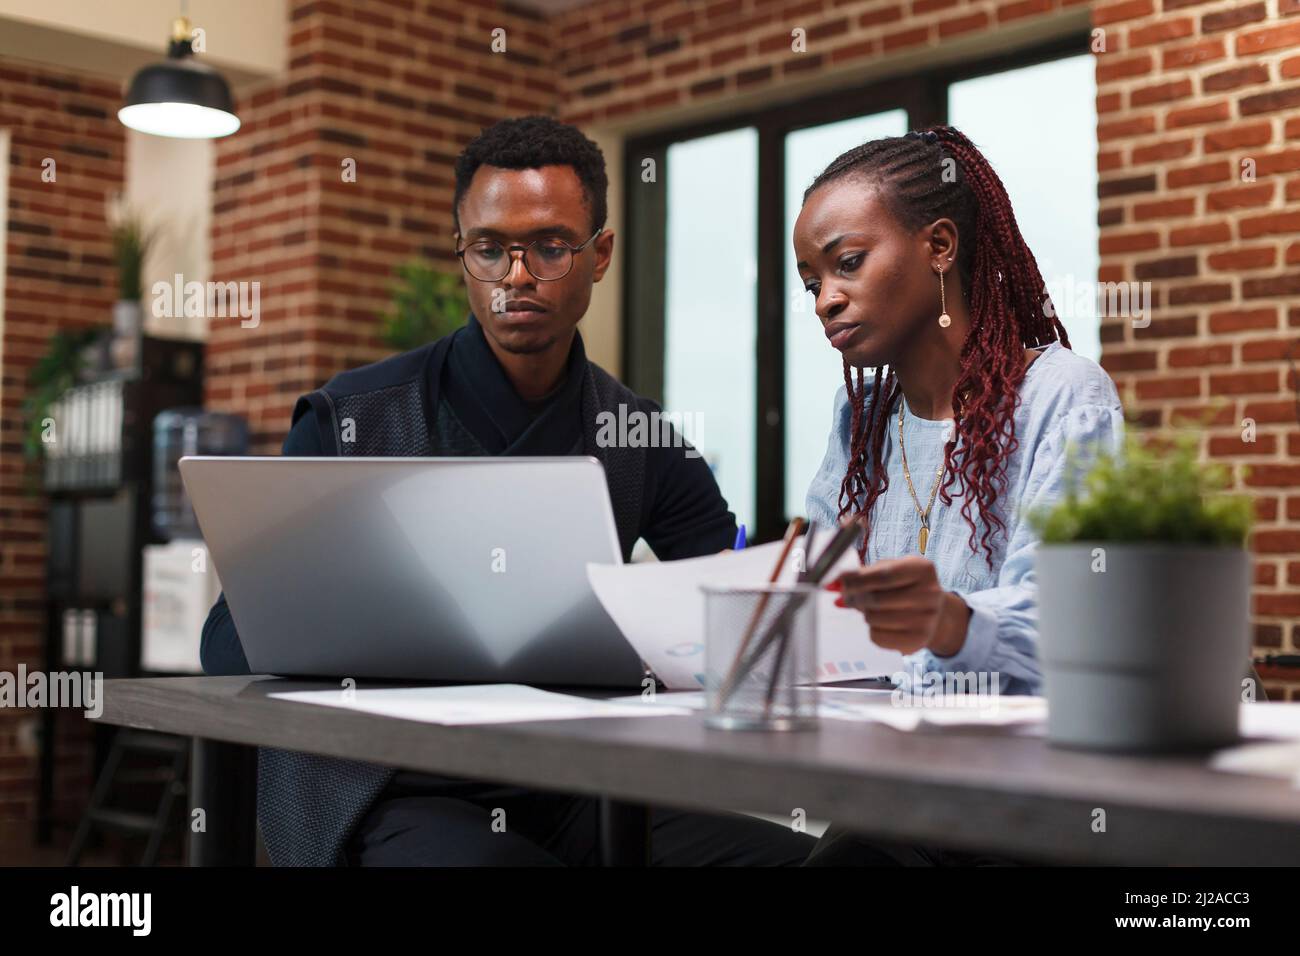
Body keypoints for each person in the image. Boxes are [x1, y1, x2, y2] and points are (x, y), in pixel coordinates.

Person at [201, 115, 813, 867]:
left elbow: (737, 611)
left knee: (797, 863)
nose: (516, 275)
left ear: (601, 255)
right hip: (390, 788)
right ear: (463, 254)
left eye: (551, 247)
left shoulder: (638, 436)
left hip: (573, 785)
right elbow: (231, 640)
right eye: (490, 248)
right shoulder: (354, 418)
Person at [793, 127, 1123, 865]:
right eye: (812, 281)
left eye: (847, 263)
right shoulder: (862, 418)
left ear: (939, 246)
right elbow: (816, 601)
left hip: (1023, 805)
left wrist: (949, 619)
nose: (824, 300)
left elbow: (1068, 631)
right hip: (891, 789)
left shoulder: (1062, 396)